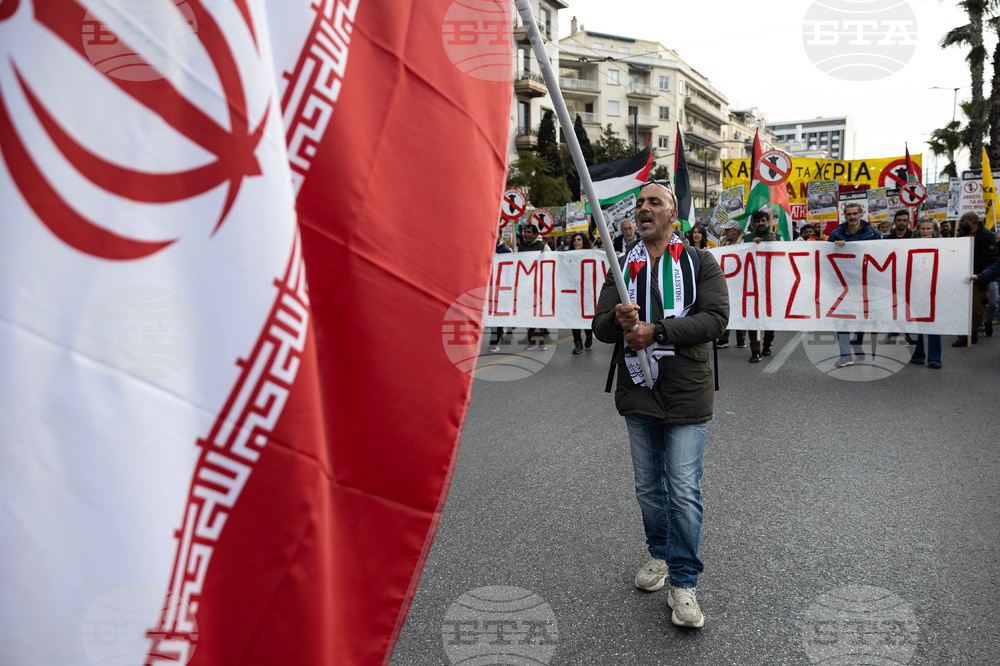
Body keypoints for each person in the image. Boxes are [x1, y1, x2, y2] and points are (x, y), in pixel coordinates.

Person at [592, 181, 729, 629]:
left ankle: (685, 581)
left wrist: (659, 331)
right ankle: (660, 555)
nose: (645, 209)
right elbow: (599, 328)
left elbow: (715, 319)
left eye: (655, 202)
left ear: (674, 215)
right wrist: (617, 318)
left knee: (684, 489)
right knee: (650, 488)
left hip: (687, 387)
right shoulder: (620, 266)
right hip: (637, 390)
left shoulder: (700, 262)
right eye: (641, 203)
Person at [828, 202, 882, 367]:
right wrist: (836, 248)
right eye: (848, 214)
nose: (852, 217)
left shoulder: (873, 234)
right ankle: (845, 355)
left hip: (866, 282)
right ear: (845, 216)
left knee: (862, 317)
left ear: (861, 214)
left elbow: (882, 254)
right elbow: (825, 254)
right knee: (842, 318)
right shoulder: (836, 234)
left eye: (854, 214)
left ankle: (857, 341)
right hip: (843, 282)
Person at [953, 212, 998, 347]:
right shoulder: (961, 235)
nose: (960, 223)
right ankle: (963, 335)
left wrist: (983, 277)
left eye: (962, 220)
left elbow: (990, 260)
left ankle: (974, 331)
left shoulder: (986, 236)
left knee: (978, 307)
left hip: (979, 278)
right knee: (961, 306)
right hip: (962, 277)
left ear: (971, 221)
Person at [742, 209, 775, 362]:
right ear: (754, 223)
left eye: (763, 221)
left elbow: (785, 258)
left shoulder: (777, 237)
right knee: (753, 317)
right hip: (751, 285)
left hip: (772, 285)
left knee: (769, 318)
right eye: (758, 221)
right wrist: (751, 246)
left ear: (768, 222)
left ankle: (767, 344)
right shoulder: (747, 238)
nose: (761, 224)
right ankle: (755, 350)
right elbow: (740, 257)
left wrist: (774, 244)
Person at [910, 219, 943, 368]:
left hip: (936, 289)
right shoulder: (910, 244)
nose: (925, 231)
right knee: (917, 323)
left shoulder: (944, 245)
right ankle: (918, 355)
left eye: (928, 229)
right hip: (916, 288)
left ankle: (935, 358)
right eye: (922, 229)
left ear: (934, 231)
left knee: (934, 324)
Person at [518, 224, 549, 349]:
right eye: (525, 232)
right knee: (528, 314)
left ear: (535, 234)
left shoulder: (543, 247)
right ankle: (531, 340)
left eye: (529, 232)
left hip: (540, 286)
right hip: (525, 287)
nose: (526, 234)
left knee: (538, 314)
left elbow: (550, 263)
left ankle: (540, 341)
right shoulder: (520, 248)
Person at [715, 220, 745, 349]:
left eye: (728, 229)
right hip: (726, 279)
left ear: (736, 231)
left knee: (740, 308)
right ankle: (723, 338)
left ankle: (741, 338)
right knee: (725, 307)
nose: (726, 232)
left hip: (741, 280)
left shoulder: (746, 241)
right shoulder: (724, 242)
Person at [569, 233, 595, 354]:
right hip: (573, 292)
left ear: (583, 241)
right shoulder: (567, 255)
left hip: (587, 291)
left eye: (578, 239)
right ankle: (577, 343)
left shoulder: (591, 254)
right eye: (574, 240)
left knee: (587, 316)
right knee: (574, 317)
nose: (576, 242)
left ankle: (589, 334)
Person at [489, 233, 511, 352]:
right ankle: (499, 332)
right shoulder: (487, 249)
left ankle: (495, 340)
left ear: (500, 236)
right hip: (489, 287)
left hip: (501, 288)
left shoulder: (505, 252)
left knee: (497, 313)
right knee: (491, 313)